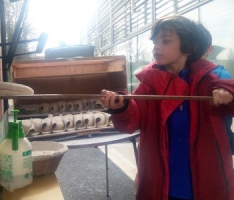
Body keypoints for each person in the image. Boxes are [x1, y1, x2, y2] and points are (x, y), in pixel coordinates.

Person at [100, 15, 234, 200]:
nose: (157, 46)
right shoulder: (149, 83)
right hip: (161, 183)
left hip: (206, 182)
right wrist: (121, 107)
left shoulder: (209, 79)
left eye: (165, 41)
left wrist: (228, 92)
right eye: (155, 42)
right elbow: (131, 123)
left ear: (188, 46)